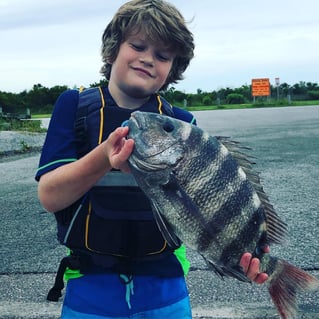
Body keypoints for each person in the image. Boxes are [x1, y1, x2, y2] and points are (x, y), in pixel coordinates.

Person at [36, 0, 269, 318]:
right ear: (111, 50)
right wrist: (104, 156)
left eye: (162, 55)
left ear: (173, 70)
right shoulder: (73, 107)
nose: (148, 59)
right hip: (89, 285)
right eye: (138, 45)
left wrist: (247, 255)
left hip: (166, 288)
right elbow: (50, 196)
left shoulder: (182, 125)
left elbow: (208, 212)